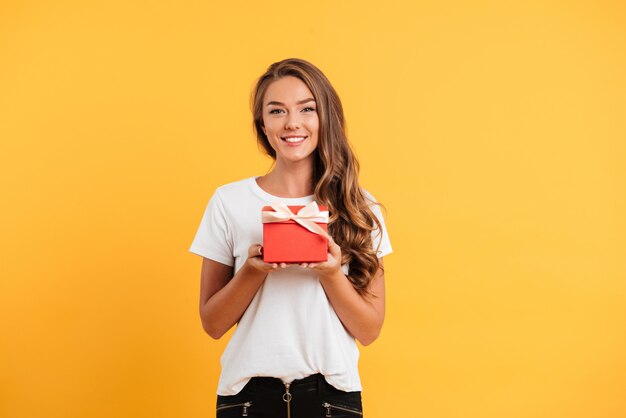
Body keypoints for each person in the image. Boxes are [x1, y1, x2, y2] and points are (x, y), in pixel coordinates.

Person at [189, 58, 392, 418]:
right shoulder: (229, 201)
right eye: (277, 110)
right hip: (246, 397)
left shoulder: (361, 206)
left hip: (332, 396)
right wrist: (254, 270)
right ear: (262, 125)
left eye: (306, 109)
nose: (292, 123)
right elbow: (212, 324)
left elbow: (369, 330)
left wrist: (330, 273)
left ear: (324, 118)